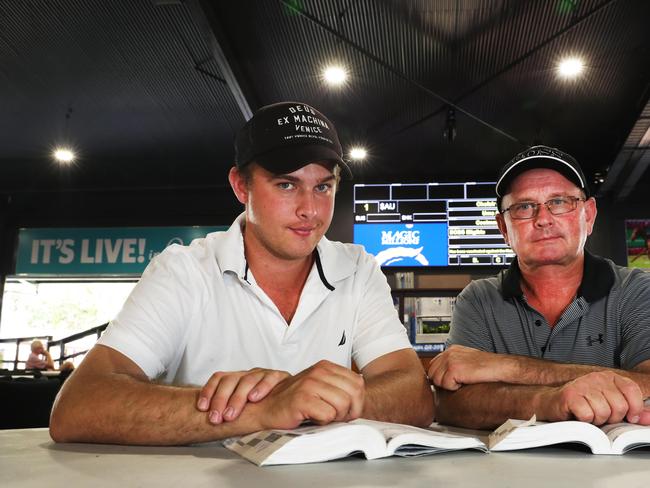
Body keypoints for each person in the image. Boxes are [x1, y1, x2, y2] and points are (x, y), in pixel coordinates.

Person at [50, 101, 433, 445]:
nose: (310, 210)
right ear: (240, 186)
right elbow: (79, 405)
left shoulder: (358, 268)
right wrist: (263, 410)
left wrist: (320, 399)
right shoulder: (184, 269)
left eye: (323, 187)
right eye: (287, 185)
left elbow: (415, 395)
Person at [428, 145, 650, 429]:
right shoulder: (478, 299)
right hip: (501, 471)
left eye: (559, 202)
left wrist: (507, 367)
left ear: (589, 215)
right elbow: (451, 405)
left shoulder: (638, 290)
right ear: (504, 229)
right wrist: (551, 402)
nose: (543, 219)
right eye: (524, 207)